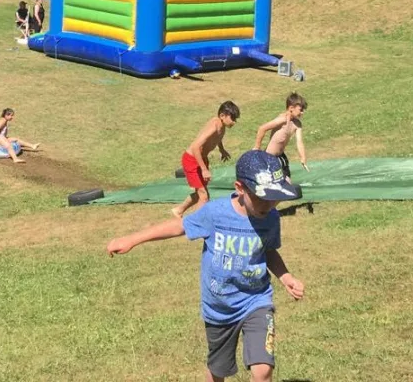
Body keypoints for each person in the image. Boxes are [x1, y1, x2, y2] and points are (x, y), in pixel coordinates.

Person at [107, 150, 305, 382]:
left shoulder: (270, 218)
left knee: (263, 370)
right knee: (217, 371)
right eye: (262, 198)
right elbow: (179, 227)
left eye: (275, 198)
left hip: (256, 300)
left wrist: (286, 277)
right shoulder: (215, 213)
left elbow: (268, 250)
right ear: (240, 188)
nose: (270, 205)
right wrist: (132, 239)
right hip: (219, 307)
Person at [173, 101, 240, 218]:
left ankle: (179, 210)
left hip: (201, 159)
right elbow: (195, 147)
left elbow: (217, 138)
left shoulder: (221, 126)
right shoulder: (214, 126)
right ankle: (197, 222)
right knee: (203, 196)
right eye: (232, 118)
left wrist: (222, 150)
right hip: (192, 160)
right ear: (222, 115)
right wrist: (204, 169)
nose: (234, 122)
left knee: (202, 193)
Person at [253, 93, 310, 180]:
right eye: (300, 110)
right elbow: (262, 128)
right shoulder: (282, 119)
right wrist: (257, 147)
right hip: (269, 158)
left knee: (287, 182)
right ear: (291, 108)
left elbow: (299, 142)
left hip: (281, 157)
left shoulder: (297, 124)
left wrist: (303, 157)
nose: (302, 113)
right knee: (273, 183)